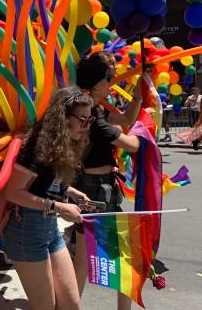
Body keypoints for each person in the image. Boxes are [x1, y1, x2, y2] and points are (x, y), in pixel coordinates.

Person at [3, 87, 94, 310]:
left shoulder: (62, 144)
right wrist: (57, 206)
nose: (86, 126)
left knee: (71, 305)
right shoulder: (35, 147)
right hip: (26, 229)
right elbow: (12, 192)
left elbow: (45, 182)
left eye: (89, 120)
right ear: (63, 118)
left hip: (49, 229)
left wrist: (70, 191)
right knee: (45, 306)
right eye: (82, 119)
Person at [72, 53, 141, 310]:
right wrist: (143, 137)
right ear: (96, 81)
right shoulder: (90, 115)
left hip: (94, 188)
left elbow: (126, 120)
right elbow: (131, 142)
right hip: (95, 189)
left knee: (82, 259)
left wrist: (138, 96)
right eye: (108, 78)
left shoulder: (91, 108)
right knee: (122, 255)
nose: (111, 82)